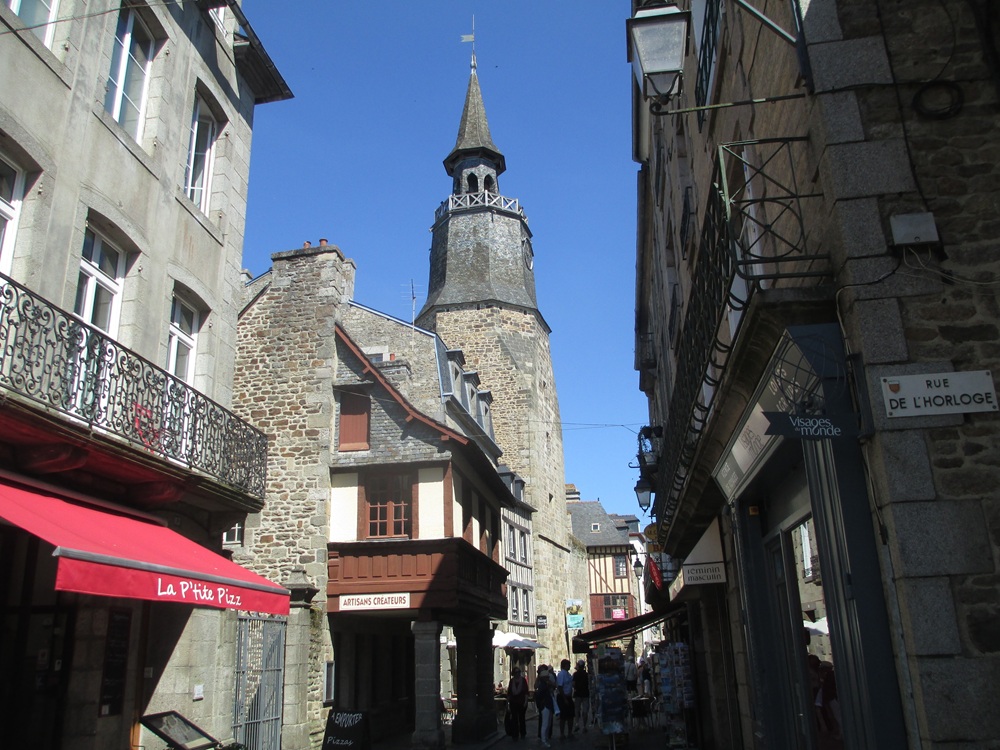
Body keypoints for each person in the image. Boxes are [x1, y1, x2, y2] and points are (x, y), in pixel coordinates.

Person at [535, 665, 556, 747]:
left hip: (548, 705)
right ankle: (544, 740)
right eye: (546, 677)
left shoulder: (546, 685)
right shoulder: (543, 686)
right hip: (545, 705)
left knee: (547, 723)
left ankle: (545, 738)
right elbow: (540, 696)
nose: (548, 678)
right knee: (545, 723)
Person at [506, 666, 529, 740]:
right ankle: (515, 734)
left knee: (522, 718)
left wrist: (526, 701)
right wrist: (508, 704)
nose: (517, 674)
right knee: (514, 719)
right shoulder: (512, 681)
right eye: (516, 672)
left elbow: (526, 692)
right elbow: (509, 693)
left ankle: (523, 733)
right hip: (513, 702)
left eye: (519, 672)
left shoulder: (523, 681)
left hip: (521, 702)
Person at [555, 659, 575, 738]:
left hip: (569, 696)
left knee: (571, 716)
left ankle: (570, 732)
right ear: (564, 665)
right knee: (563, 716)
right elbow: (560, 687)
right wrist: (564, 699)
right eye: (568, 664)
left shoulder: (568, 674)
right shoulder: (561, 674)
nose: (569, 666)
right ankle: (562, 733)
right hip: (563, 697)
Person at [572, 659, 590, 733]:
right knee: (585, 711)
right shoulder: (587, 674)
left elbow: (573, 684)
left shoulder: (575, 674)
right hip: (585, 694)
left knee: (577, 709)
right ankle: (584, 726)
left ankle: (577, 724)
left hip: (578, 694)